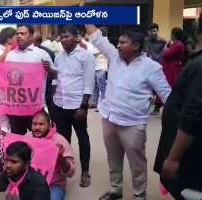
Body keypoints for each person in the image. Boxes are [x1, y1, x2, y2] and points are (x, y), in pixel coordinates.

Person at [84, 25, 171, 200]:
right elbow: (96, 35)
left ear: (136, 46)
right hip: (109, 118)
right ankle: (116, 189)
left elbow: (168, 95)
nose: (118, 45)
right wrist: (83, 13)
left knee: (137, 163)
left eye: (123, 42)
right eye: (119, 41)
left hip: (133, 123)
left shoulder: (152, 67)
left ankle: (140, 195)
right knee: (113, 158)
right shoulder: (114, 56)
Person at [154, 47, 202, 200]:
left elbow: (193, 115)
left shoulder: (199, 65)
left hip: (191, 149)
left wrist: (173, 157)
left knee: (185, 188)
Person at [53, 25, 95, 187]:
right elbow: (57, 79)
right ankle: (66, 169)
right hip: (59, 104)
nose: (63, 40)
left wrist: (83, 107)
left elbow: (89, 84)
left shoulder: (86, 57)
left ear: (76, 37)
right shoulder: (58, 57)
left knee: (83, 138)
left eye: (66, 37)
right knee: (63, 140)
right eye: (61, 37)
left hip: (77, 106)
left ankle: (85, 172)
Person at [5, 24, 55, 135]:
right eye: (17, 34)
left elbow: (55, 76)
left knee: (39, 140)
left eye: (23, 33)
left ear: (31, 36)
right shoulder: (10, 55)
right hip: (16, 107)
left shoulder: (41, 54)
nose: (19, 36)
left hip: (35, 107)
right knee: (18, 141)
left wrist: (49, 69)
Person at [30, 110, 75, 200]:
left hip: (53, 184)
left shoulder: (59, 141)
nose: (37, 127)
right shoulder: (27, 138)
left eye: (41, 124)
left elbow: (71, 172)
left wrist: (60, 159)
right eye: (34, 124)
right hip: (32, 183)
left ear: (49, 126)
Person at [152, 27, 185, 115]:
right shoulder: (176, 44)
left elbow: (166, 54)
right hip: (168, 68)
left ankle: (163, 106)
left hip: (171, 69)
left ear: (174, 35)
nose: (171, 36)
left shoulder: (178, 44)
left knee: (167, 86)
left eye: (172, 34)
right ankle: (159, 106)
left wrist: (166, 48)